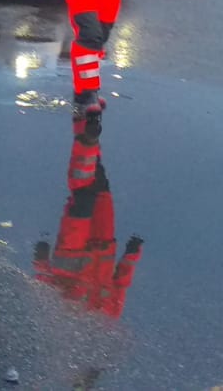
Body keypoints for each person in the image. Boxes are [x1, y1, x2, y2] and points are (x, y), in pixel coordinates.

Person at [32, 115, 143, 319]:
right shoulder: (110, 318)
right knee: (100, 186)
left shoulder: (65, 322)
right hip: (103, 243)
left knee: (82, 197)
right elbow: (121, 284)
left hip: (72, 256)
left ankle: (87, 138)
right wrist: (132, 254)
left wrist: (40, 262)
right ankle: (88, 129)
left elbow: (47, 293)